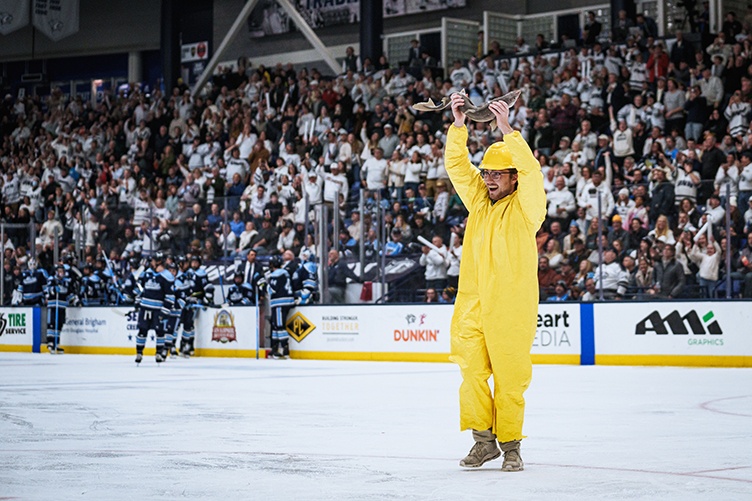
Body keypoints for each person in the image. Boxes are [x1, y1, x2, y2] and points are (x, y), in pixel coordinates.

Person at [446, 92, 546, 472]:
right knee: (471, 373)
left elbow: (534, 173)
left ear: (513, 178)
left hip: (511, 307)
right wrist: (459, 126)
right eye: (486, 172)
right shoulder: (479, 200)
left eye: (496, 173)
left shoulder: (526, 208)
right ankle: (483, 442)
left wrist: (508, 132)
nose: (487, 178)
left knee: (510, 379)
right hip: (472, 303)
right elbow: (458, 167)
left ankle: (512, 446)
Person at [134, 252, 175, 365]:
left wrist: (165, 311)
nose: (151, 262)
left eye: (153, 261)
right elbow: (141, 290)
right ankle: (139, 353)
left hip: (158, 309)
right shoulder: (147, 273)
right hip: (145, 308)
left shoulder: (167, 276)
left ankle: (159, 353)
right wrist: (138, 303)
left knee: (160, 332)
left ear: (158, 262)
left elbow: (170, 296)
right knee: (142, 330)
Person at [267, 255, 294, 359]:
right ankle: (275, 349)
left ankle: (285, 348)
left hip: (279, 302)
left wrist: (264, 285)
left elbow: (272, 290)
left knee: (279, 325)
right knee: (275, 325)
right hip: (285, 301)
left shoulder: (276, 274)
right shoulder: (285, 273)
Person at [45, 263, 73, 354]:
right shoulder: (52, 279)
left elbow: (69, 293)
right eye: (60, 271)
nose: (61, 273)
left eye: (63, 271)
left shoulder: (66, 281)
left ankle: (56, 343)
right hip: (53, 305)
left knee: (59, 324)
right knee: (52, 323)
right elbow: (47, 290)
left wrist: (75, 300)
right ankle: (50, 342)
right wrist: (53, 289)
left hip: (62, 305)